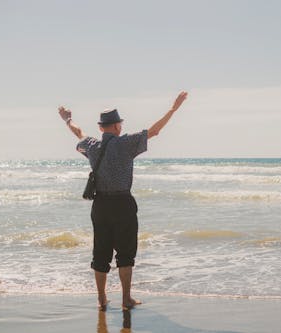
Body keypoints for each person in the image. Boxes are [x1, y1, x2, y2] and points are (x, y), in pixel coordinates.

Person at [58, 91, 188, 310]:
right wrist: (173, 109)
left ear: (101, 128)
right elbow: (154, 131)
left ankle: (101, 299)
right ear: (117, 126)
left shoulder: (91, 145)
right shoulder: (127, 143)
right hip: (123, 204)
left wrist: (67, 119)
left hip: (100, 205)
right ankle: (126, 299)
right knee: (126, 253)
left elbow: (78, 132)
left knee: (101, 252)